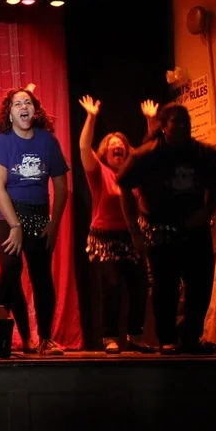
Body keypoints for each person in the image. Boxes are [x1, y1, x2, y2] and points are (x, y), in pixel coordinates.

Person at [117, 103, 216, 355]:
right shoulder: (146, 155)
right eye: (176, 122)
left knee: (200, 284)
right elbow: (123, 184)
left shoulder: (204, 154)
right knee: (165, 286)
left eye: (186, 122)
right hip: (160, 229)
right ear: (164, 127)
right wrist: (134, 231)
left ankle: (191, 338)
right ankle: (167, 339)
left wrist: (207, 211)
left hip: (194, 228)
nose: (183, 126)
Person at [0, 87, 70, 356]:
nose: (24, 106)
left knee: (42, 275)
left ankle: (45, 338)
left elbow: (62, 187)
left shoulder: (47, 141)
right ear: (9, 113)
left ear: (35, 111)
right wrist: (15, 226)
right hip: (4, 213)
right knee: (11, 267)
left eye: (28, 102)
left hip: (38, 214)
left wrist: (54, 224)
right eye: (17, 103)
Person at [76, 95, 153, 354]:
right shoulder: (99, 173)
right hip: (104, 238)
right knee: (112, 286)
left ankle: (135, 336)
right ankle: (109, 337)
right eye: (112, 144)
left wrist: (151, 121)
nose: (117, 146)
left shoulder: (135, 175)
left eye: (121, 144)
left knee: (140, 286)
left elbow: (151, 152)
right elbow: (84, 147)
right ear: (105, 153)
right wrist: (91, 117)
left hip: (131, 237)